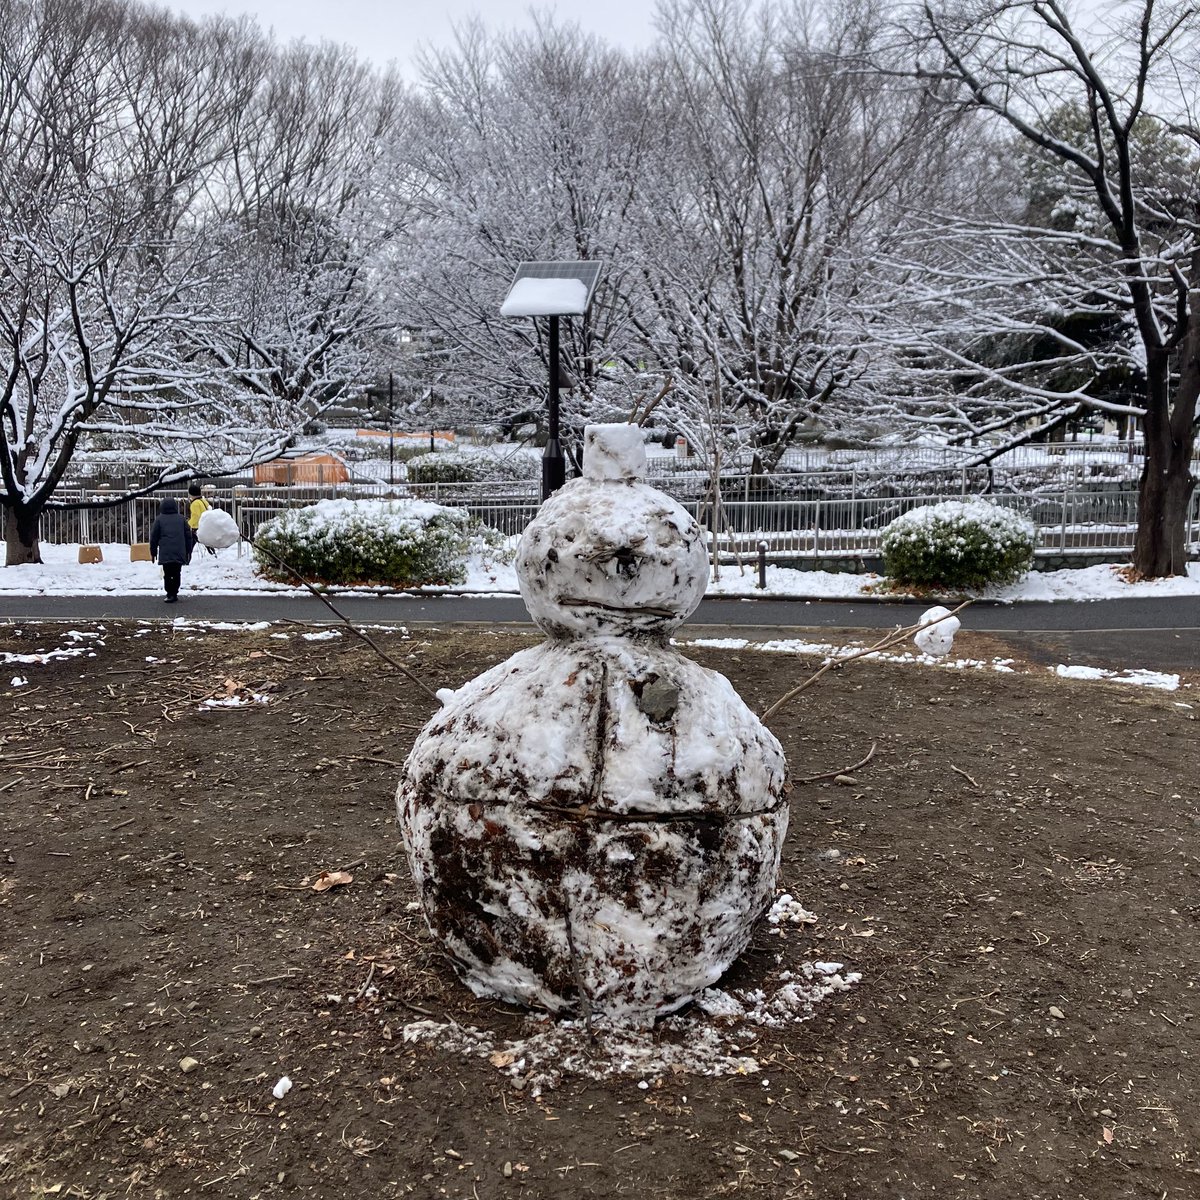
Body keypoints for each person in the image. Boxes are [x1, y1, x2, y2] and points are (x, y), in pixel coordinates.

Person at [148, 498, 195, 604]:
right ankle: (175, 592)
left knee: (168, 573)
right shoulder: (182, 519)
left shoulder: (159, 520)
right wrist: (188, 550)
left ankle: (170, 593)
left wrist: (153, 552)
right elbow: (188, 536)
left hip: (166, 551)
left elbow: (154, 537)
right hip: (179, 551)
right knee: (177, 572)